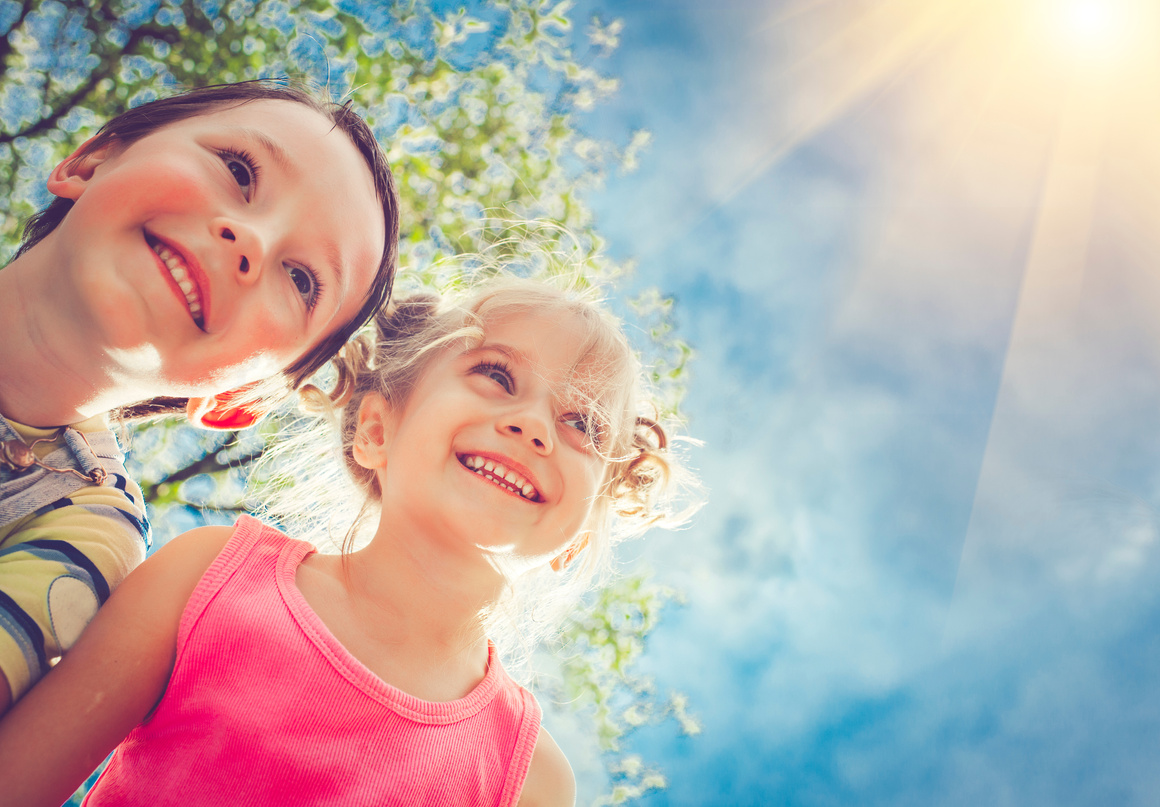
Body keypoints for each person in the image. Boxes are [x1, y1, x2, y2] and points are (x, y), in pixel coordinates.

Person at [0, 276, 689, 806]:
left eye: (583, 425)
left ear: (580, 534)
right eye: (496, 375)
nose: (535, 425)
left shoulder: (528, 778)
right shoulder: (209, 579)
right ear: (377, 431)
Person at [0, 80, 401, 715]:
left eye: (301, 280)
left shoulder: (86, 533)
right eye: (238, 169)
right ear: (90, 160)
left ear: (241, 399)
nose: (252, 241)